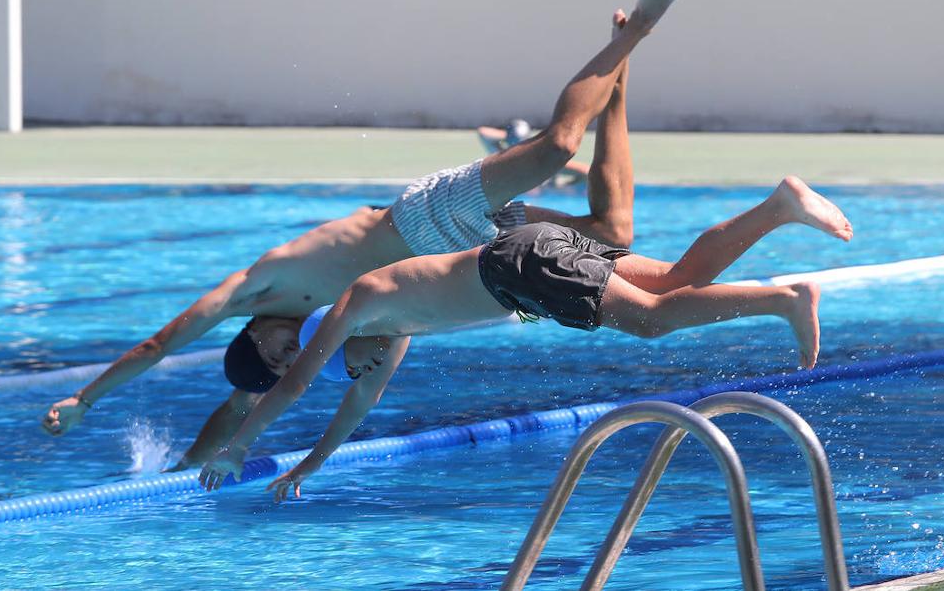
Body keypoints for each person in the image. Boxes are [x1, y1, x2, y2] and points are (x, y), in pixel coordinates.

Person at [41, 0, 692, 470]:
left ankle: (639, 26)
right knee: (612, 232)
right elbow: (243, 401)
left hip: (425, 219)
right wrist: (188, 469)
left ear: (254, 329)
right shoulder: (348, 326)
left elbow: (160, 345)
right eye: (282, 361)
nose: (286, 351)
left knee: (555, 147)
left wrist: (85, 400)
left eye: (275, 350)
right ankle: (621, 70)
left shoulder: (261, 286)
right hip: (468, 259)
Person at [198, 175, 853, 500]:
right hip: (528, 255)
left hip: (519, 269)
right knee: (682, 277)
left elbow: (302, 381)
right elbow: (355, 410)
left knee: (652, 320)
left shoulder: (362, 302)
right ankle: (780, 205)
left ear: (338, 340)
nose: (362, 371)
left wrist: (238, 447)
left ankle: (786, 296)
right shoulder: (389, 332)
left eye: (353, 364)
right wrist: (307, 469)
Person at [477, 120, 589, 186]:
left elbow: (586, 172)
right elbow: (483, 132)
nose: (517, 150)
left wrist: (565, 188)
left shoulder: (543, 162)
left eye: (521, 145)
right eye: (514, 145)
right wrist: (508, 136)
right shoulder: (503, 159)